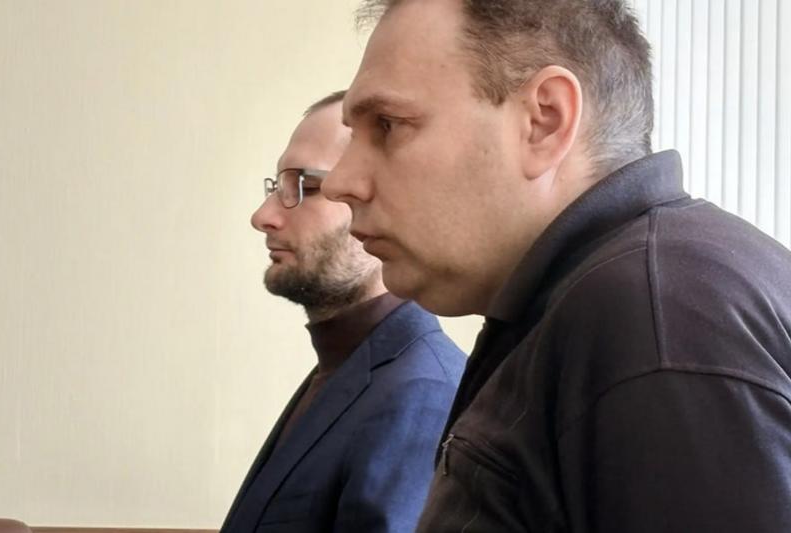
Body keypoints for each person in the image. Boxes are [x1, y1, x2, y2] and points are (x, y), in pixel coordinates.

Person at [321, 1, 791, 531]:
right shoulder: (608, 302)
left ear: (545, 121)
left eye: (387, 125)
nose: (340, 182)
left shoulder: (653, 319)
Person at [219, 91, 465, 533]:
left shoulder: (420, 396)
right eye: (277, 188)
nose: (263, 216)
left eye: (306, 187)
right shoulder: (344, 369)